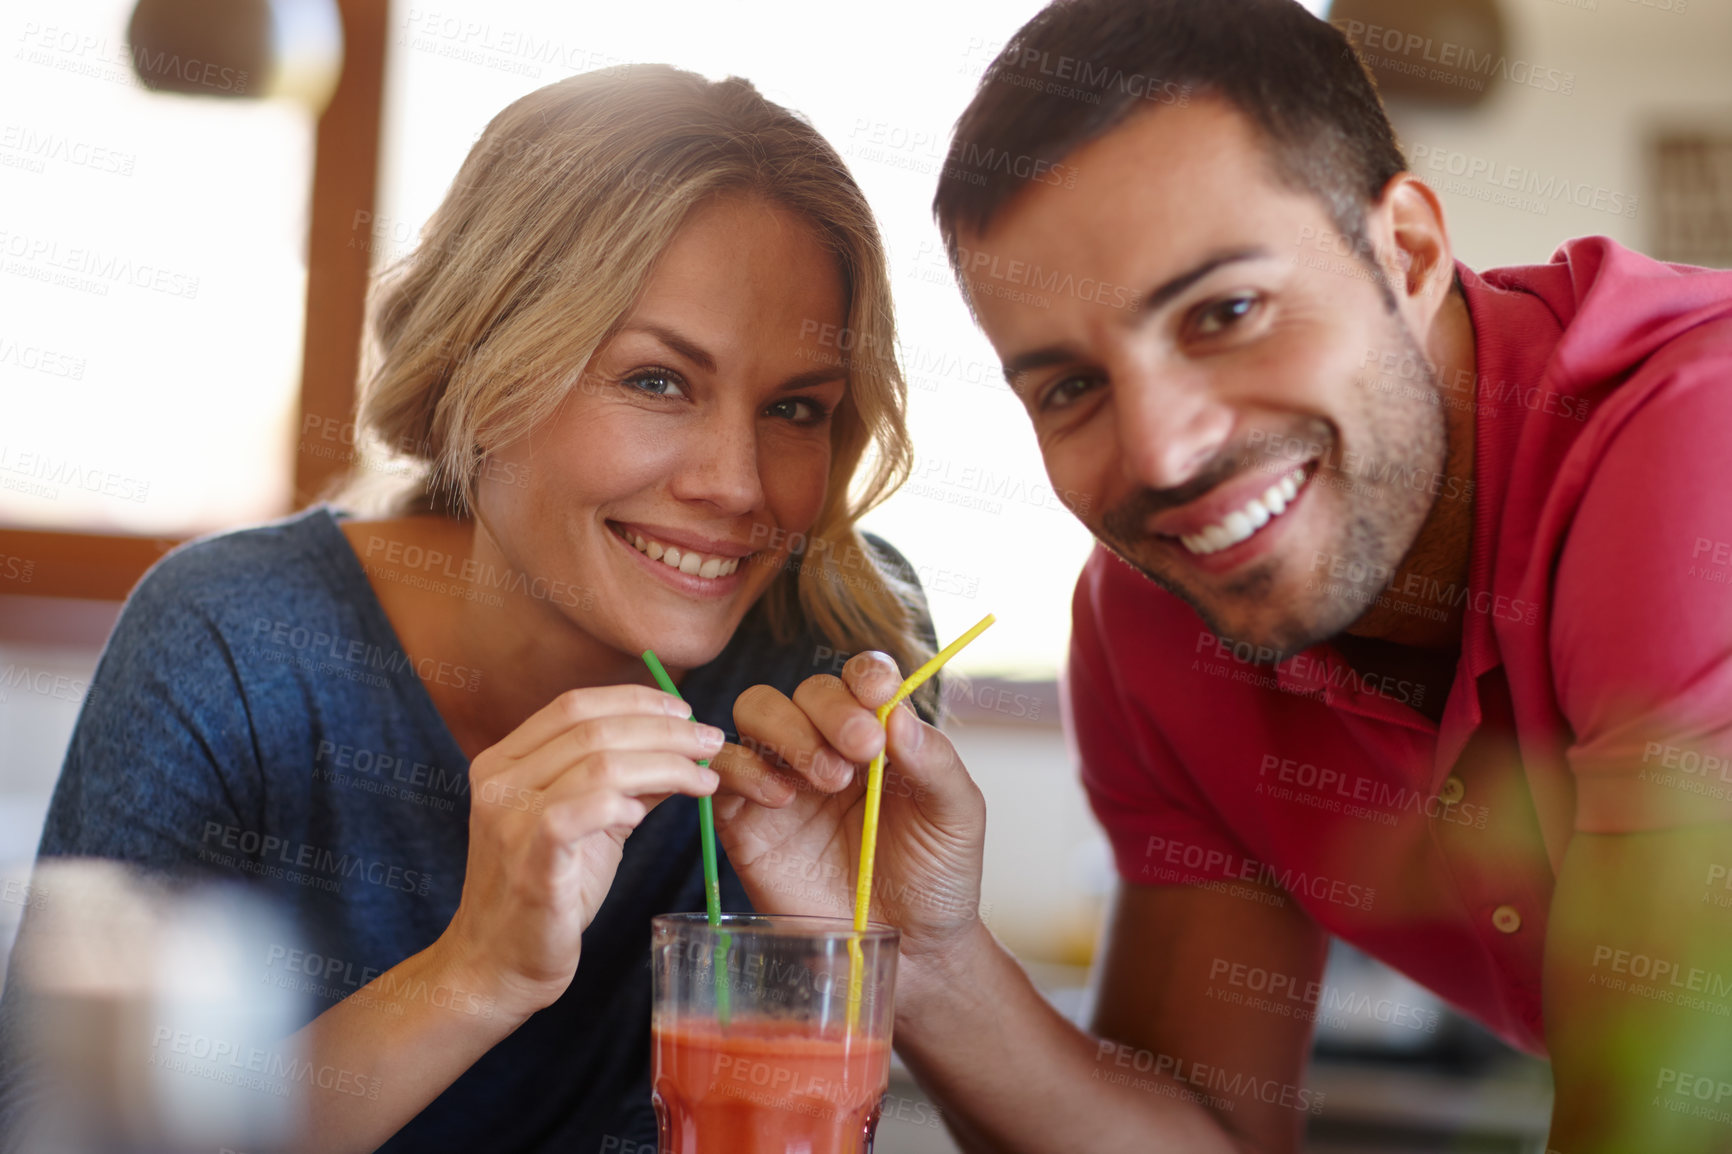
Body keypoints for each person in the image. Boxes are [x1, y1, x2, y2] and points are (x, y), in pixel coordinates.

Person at [712, 1, 1732, 1151]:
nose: (1163, 453)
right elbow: (1208, 1134)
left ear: (1404, 252)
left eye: (1225, 311)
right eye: (1068, 387)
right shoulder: (1154, 616)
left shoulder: (1696, 443)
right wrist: (933, 959)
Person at [0, 64, 938, 1154]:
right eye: (656, 380)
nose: (739, 483)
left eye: (795, 407)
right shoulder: (238, 638)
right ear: (482, 370)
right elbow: (53, 1130)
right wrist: (474, 970)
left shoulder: (835, 660)